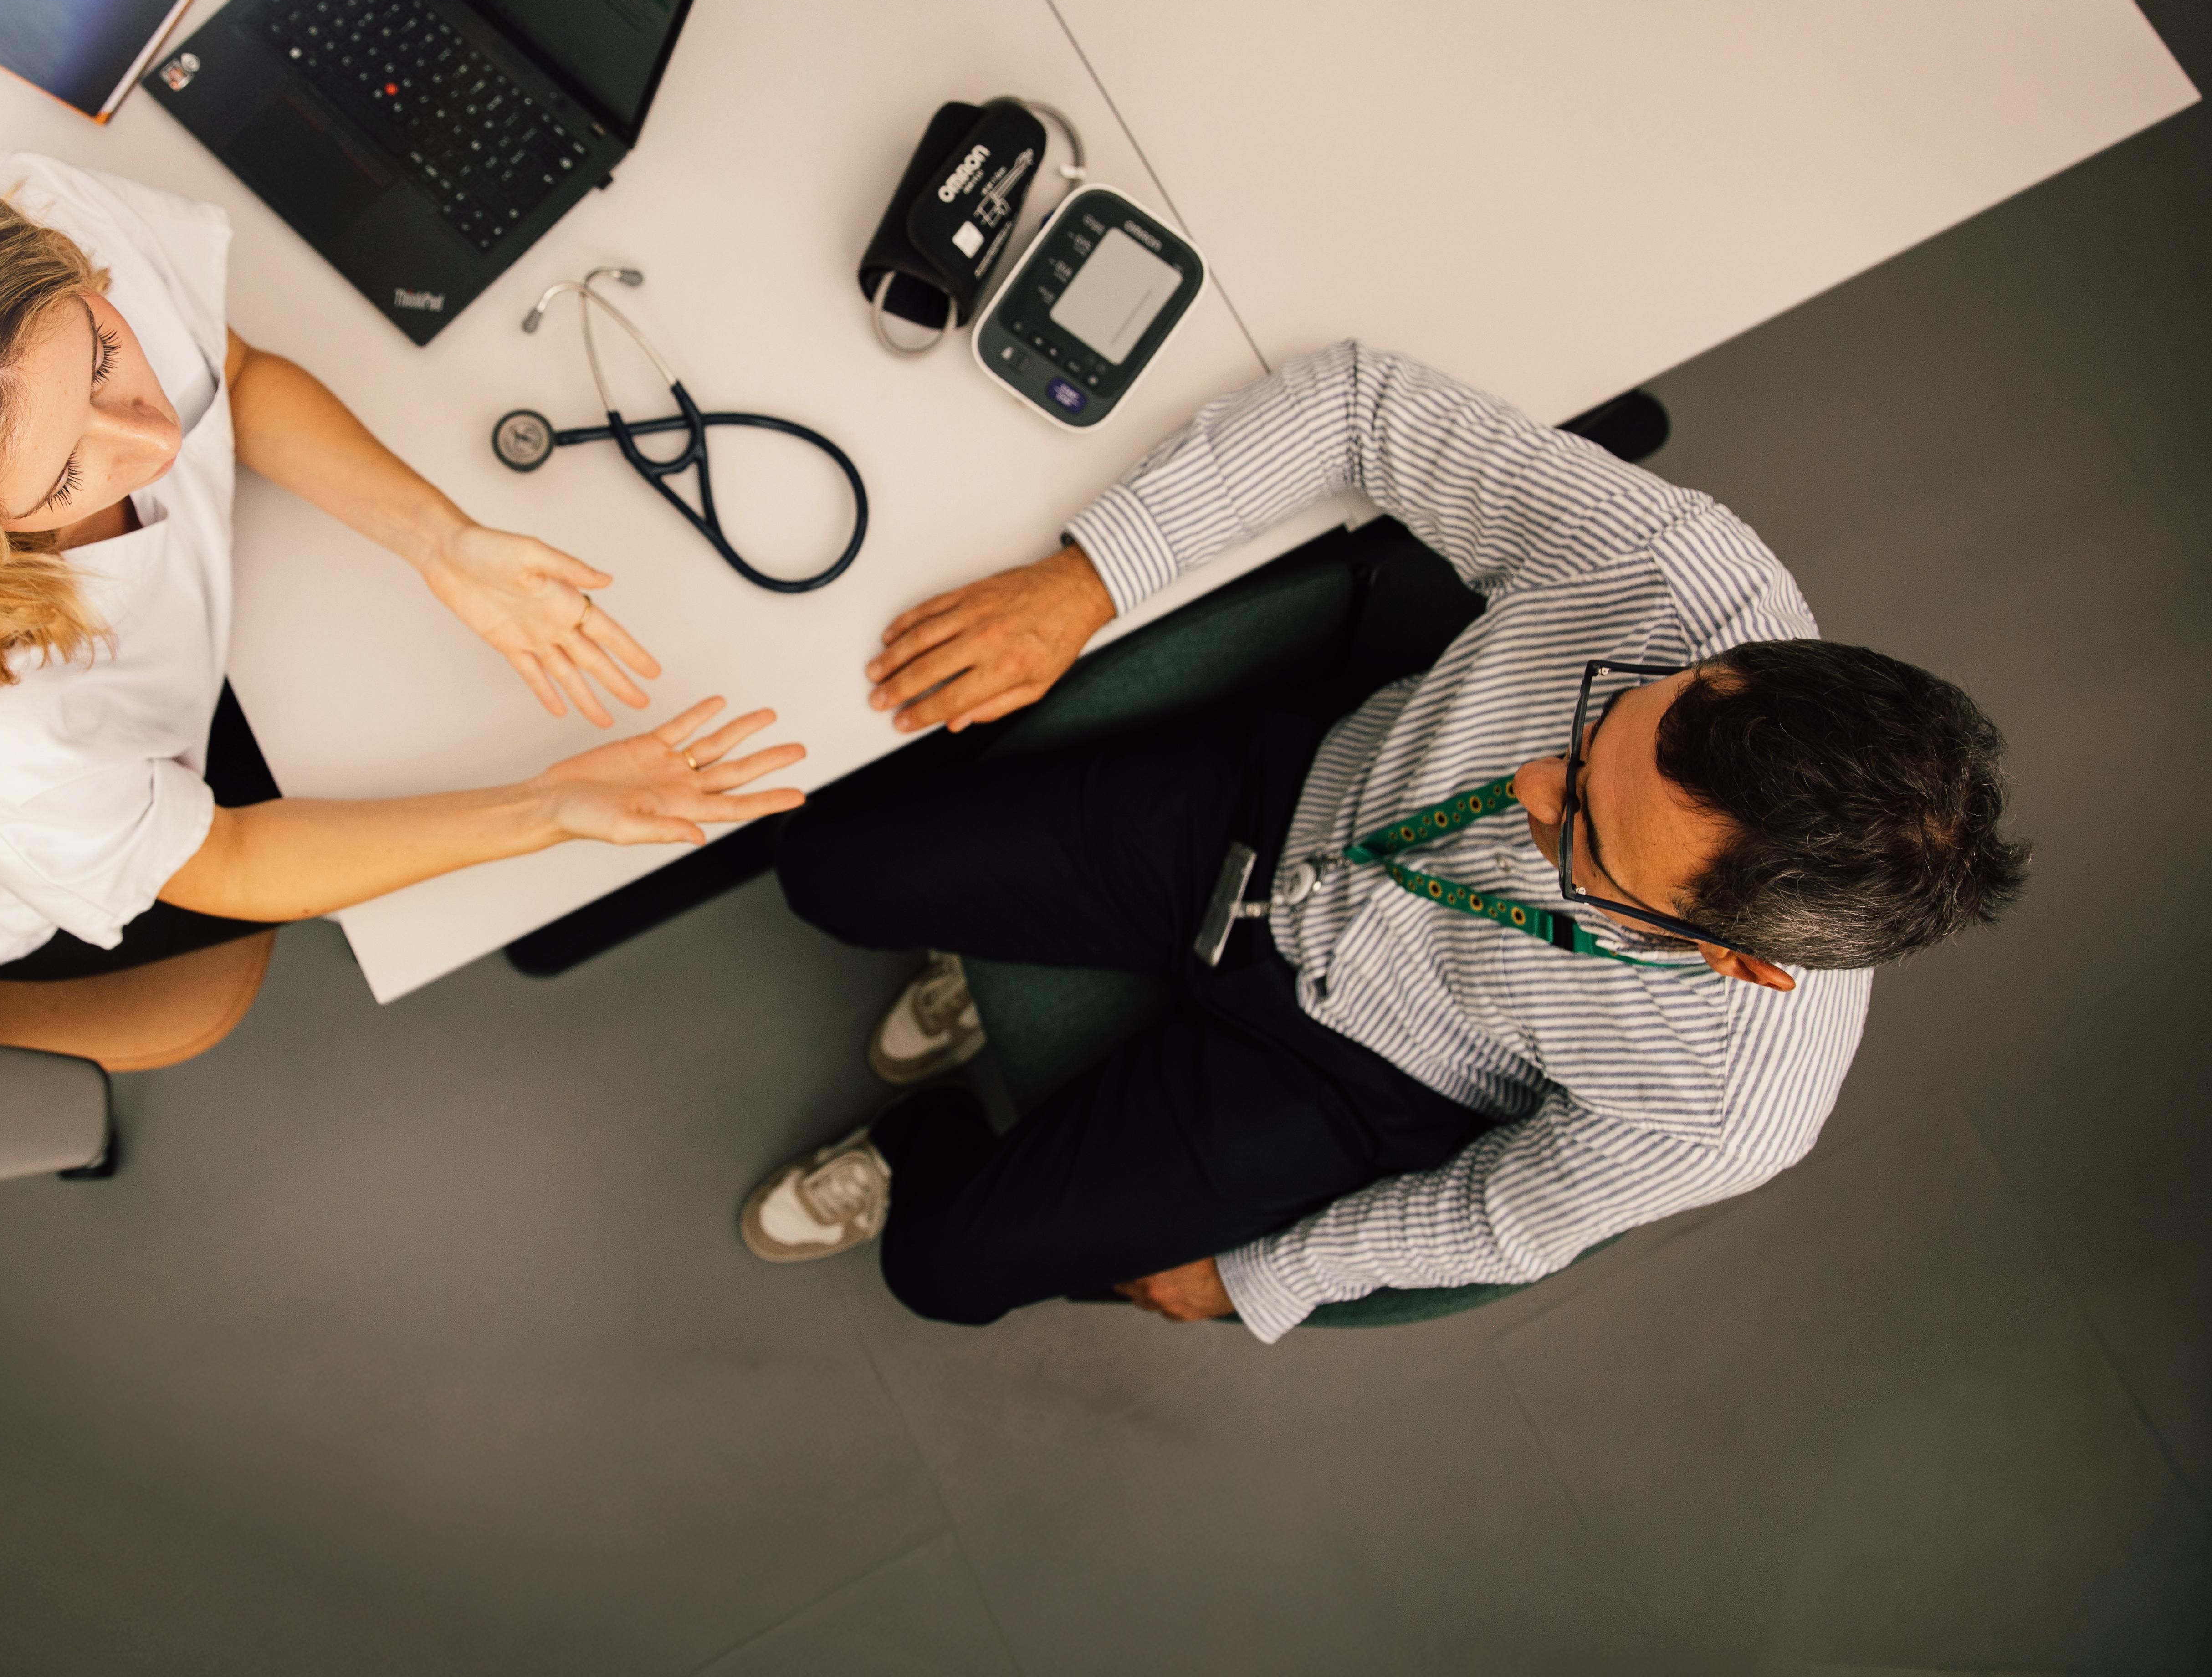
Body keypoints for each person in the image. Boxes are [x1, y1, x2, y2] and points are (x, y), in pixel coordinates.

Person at [739, 343, 2025, 1342]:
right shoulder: (1681, 583)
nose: (1534, 779)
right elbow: (1363, 404)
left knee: (941, 1270)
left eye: (1583, 835)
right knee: (826, 872)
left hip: (1360, 1075)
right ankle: (985, 950)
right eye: (1602, 724)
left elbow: (1500, 1217)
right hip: (1286, 811)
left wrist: (1260, 1277)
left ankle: (926, 1132)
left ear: (1733, 959)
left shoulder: (1729, 1107)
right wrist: (1089, 581)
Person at [0, 152, 802, 978]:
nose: (153, 438)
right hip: (20, 886)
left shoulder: (21, 211)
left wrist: (442, 542)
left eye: (105, 356)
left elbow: (238, 375)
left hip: (154, 694)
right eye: (65, 475)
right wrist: (545, 805)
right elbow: (222, 859)